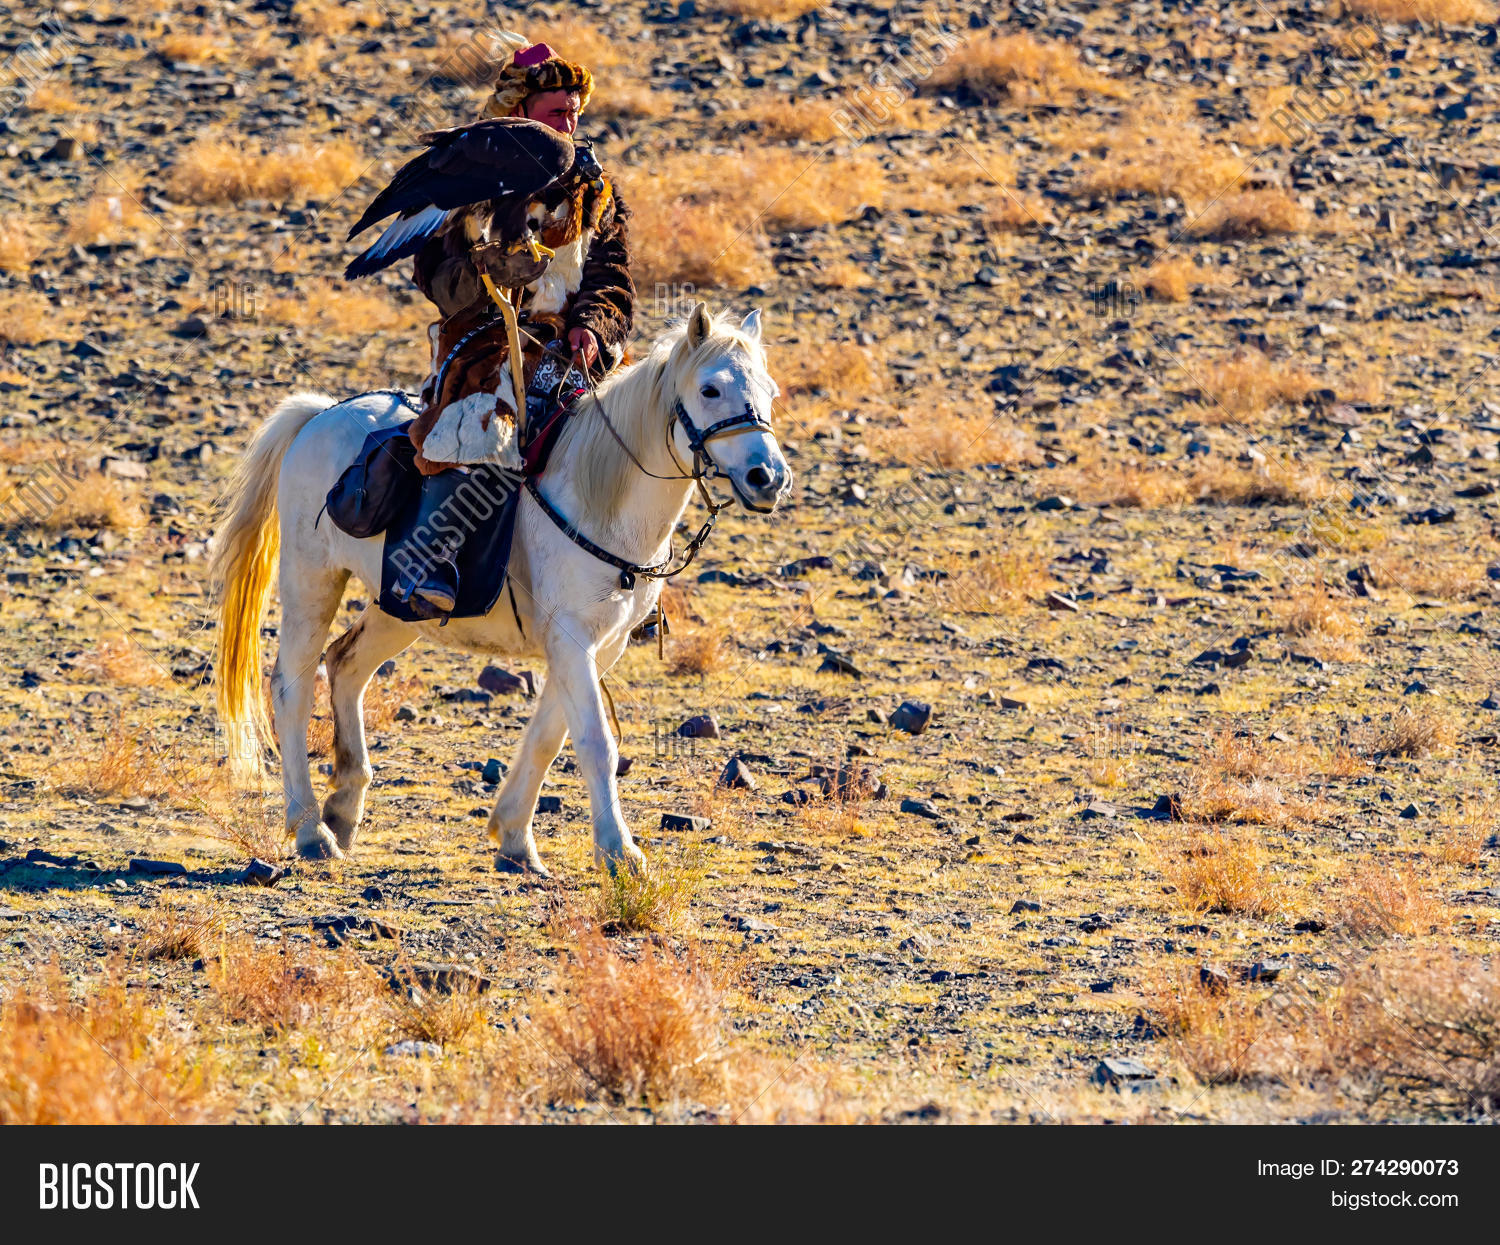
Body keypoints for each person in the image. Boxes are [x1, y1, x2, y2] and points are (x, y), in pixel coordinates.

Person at [394, 35, 635, 619]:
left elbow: (612, 277)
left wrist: (594, 328)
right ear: (522, 113)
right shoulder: (473, 178)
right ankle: (436, 558)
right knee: (486, 422)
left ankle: (629, 566)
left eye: (575, 110)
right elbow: (434, 276)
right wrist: (488, 275)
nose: (570, 120)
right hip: (488, 338)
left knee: (642, 418)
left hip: (572, 344)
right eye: (556, 111)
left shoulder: (594, 189)